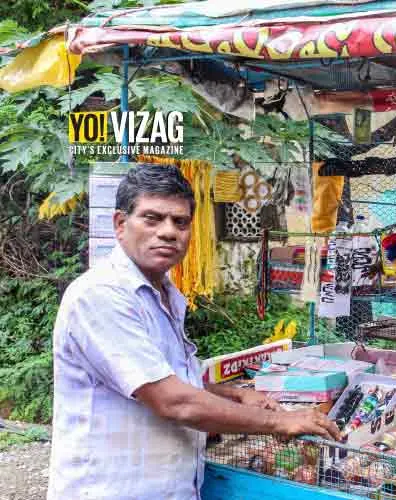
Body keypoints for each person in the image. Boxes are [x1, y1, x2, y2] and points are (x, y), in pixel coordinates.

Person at [47, 164, 339, 499]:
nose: (168, 232)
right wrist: (278, 422)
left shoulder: (164, 293)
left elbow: (167, 375)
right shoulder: (100, 295)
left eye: (180, 222)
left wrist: (234, 394)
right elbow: (174, 401)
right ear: (119, 224)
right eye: (152, 218)